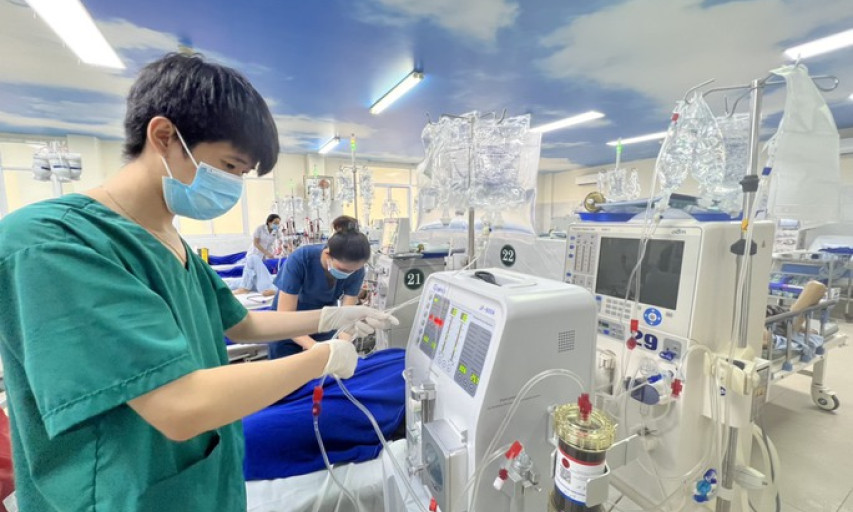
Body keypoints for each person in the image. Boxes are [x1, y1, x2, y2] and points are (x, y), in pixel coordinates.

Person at [0, 53, 396, 512]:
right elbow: (179, 406)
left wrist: (334, 316)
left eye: (242, 174)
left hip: (202, 483)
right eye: (229, 166)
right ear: (164, 137)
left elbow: (243, 324)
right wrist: (322, 357)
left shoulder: (170, 241)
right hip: (119, 496)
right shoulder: (51, 244)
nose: (234, 185)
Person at [269, 215, 370, 359]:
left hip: (323, 326)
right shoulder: (301, 259)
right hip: (287, 328)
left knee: (326, 367)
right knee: (286, 370)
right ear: (327, 254)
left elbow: (346, 317)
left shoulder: (356, 270)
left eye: (353, 271)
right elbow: (285, 317)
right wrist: (314, 347)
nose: (348, 274)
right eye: (343, 269)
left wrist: (344, 345)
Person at [234, 213, 281, 296]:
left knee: (254, 276)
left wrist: (275, 251)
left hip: (263, 258)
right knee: (252, 263)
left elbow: (276, 242)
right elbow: (256, 243)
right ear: (269, 222)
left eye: (278, 223)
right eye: (275, 223)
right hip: (255, 253)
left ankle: (245, 288)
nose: (277, 225)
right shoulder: (260, 229)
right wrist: (267, 253)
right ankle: (244, 288)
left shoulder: (276, 231)